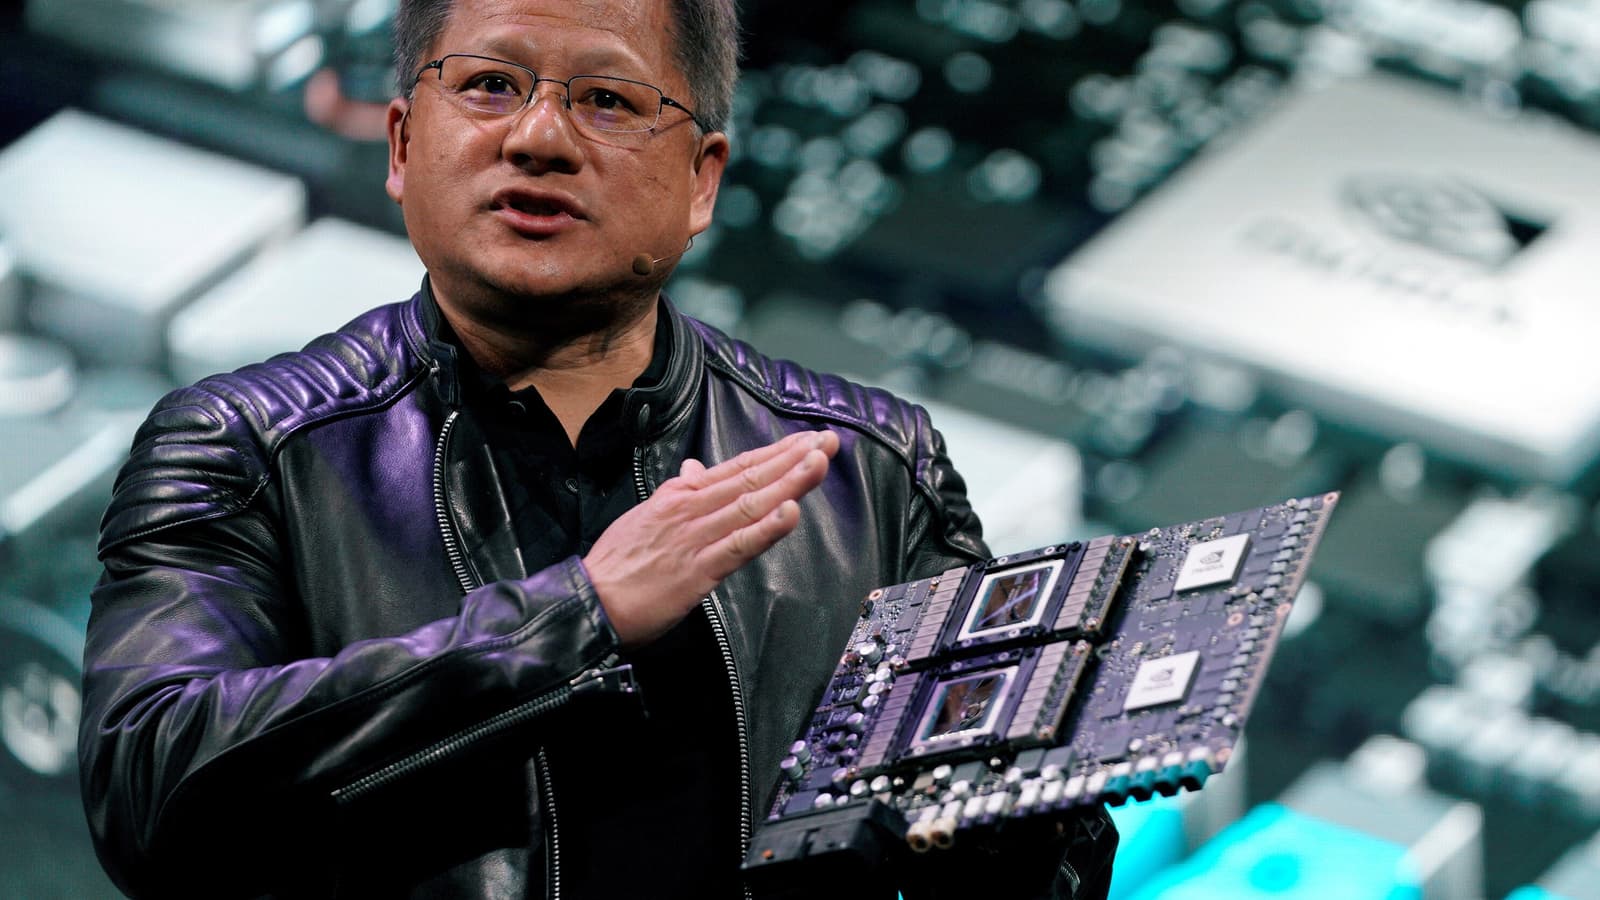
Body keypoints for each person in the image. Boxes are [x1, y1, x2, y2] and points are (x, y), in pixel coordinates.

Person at [78, 0, 1117, 897]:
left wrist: (1028, 797)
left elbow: (1021, 873)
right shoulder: (243, 445)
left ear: (702, 180)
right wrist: (581, 618)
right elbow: (150, 797)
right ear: (401, 144)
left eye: (609, 101)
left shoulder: (874, 468)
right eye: (489, 85)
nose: (538, 137)